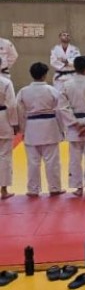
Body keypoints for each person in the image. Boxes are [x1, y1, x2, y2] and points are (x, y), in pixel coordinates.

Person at [16, 63, 63, 196]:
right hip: (50, 126)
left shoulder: (23, 91)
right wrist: (61, 129)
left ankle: (33, 189)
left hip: (31, 127)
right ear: (44, 75)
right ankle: (54, 188)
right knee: (52, 161)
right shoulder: (52, 90)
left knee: (33, 162)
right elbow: (59, 110)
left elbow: (19, 112)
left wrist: (22, 130)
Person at [58, 56, 85, 196]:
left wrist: (76, 124)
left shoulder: (66, 85)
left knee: (74, 157)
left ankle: (77, 187)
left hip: (73, 126)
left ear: (74, 67)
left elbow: (63, 107)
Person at [0, 58, 17, 199]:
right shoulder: (5, 82)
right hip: (3, 117)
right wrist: (14, 123)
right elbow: (11, 105)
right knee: (5, 155)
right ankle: (3, 189)